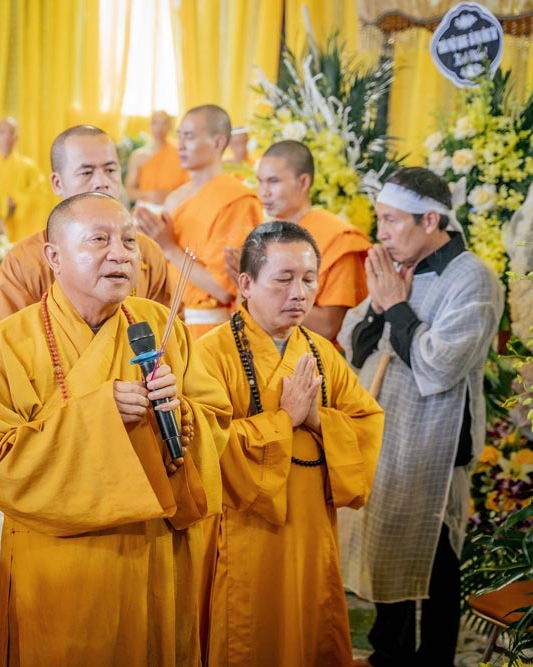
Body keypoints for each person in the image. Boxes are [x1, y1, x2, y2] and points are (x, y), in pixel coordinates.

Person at [0, 192, 227, 666]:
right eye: (99, 240)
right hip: (61, 564)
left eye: (129, 241)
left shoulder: (160, 325)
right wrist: (101, 414)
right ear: (53, 256)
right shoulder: (8, 342)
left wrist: (181, 417)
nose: (120, 254)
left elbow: (215, 420)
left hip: (153, 553)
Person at [196, 221, 384, 666]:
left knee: (310, 632)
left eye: (308, 279)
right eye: (283, 279)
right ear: (246, 283)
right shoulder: (210, 355)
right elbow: (206, 444)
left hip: (310, 531)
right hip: (243, 534)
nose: (299, 293)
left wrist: (318, 418)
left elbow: (366, 424)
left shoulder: (322, 354)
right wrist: (285, 421)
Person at [339, 168, 503, 667]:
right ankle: (390, 654)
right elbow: (354, 345)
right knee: (386, 541)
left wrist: (395, 307)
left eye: (390, 220)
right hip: (388, 432)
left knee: (436, 565)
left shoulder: (472, 279)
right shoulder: (399, 266)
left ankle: (433, 660)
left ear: (429, 219)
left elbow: (438, 365)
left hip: (437, 446)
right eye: (380, 220)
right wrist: (379, 307)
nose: (381, 232)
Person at [0, 125, 172, 320]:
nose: (101, 182)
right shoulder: (24, 260)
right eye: (87, 172)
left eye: (110, 170)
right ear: (57, 183)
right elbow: (12, 342)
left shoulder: (147, 253)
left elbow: (169, 335)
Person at [135, 104, 263, 338]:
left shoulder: (236, 200)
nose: (180, 145)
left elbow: (223, 289)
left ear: (217, 143)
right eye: (180, 136)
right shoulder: (175, 198)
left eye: (190, 137)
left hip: (213, 331)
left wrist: (169, 248)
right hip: (169, 324)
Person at [251, 140, 370, 340]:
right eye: (260, 181)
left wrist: (260, 292)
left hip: (313, 362)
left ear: (303, 182)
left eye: (273, 181)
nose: (264, 192)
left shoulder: (337, 239)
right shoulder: (263, 237)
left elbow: (329, 326)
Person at [0, 117, 48, 243]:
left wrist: (16, 202)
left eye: (12, 132)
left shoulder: (29, 167)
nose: (7, 137)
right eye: (2, 132)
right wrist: (3, 204)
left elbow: (39, 197)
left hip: (20, 228)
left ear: (17, 138)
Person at [125, 110, 189, 206]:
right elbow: (129, 192)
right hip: (146, 206)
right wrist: (150, 195)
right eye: (155, 123)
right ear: (149, 126)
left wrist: (171, 195)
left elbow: (191, 186)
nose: (159, 128)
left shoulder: (181, 152)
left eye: (164, 123)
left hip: (175, 205)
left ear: (170, 126)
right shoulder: (138, 156)